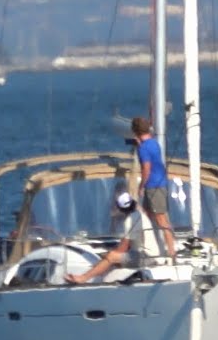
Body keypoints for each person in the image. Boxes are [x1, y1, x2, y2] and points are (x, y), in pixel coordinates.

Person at [65, 189, 158, 284]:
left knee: (112, 256)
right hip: (149, 255)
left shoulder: (130, 219)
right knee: (113, 258)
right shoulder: (139, 214)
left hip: (147, 257)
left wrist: (106, 257)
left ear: (120, 208)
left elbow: (122, 249)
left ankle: (83, 278)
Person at [130, 115, 177, 261]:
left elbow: (146, 168)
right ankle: (148, 245)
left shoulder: (143, 148)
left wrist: (141, 186)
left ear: (135, 131)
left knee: (161, 220)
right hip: (160, 183)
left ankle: (171, 251)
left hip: (153, 186)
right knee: (146, 214)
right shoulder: (154, 143)